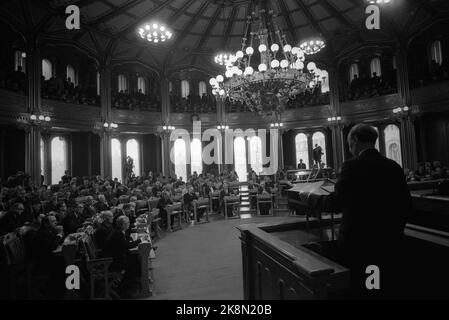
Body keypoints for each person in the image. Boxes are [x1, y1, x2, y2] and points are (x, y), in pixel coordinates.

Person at [305, 124, 411, 298]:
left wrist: (310, 198)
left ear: (355, 140)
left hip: (359, 243)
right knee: (380, 286)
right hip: (389, 242)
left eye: (349, 143)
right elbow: (406, 206)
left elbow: (336, 203)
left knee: (360, 288)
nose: (349, 147)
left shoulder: (352, 166)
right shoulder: (393, 166)